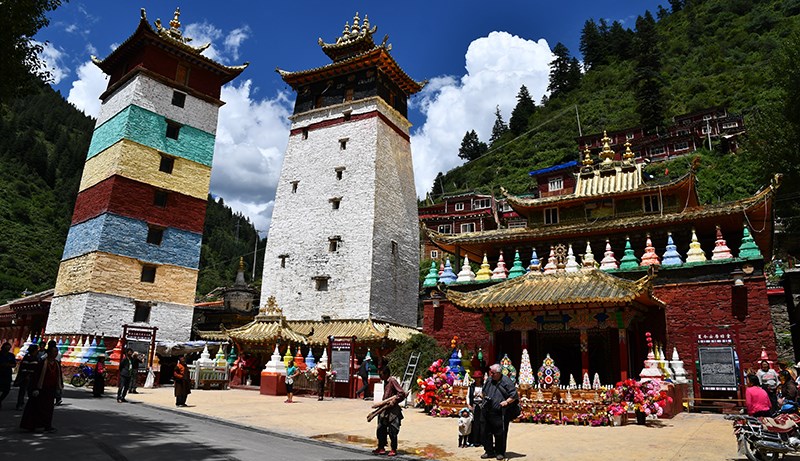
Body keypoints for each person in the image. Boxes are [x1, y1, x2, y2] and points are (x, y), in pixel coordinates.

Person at [20, 345, 62, 432]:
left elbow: (59, 376)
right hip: (41, 388)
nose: (56, 353)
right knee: (39, 407)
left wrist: (60, 387)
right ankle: (37, 425)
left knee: (49, 408)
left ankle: (47, 425)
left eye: (56, 352)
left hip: (51, 389)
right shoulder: (42, 363)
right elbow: (36, 376)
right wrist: (35, 388)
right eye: (54, 351)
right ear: (49, 352)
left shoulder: (57, 364)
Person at [481, 363, 519, 460]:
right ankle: (489, 451)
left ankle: (500, 452)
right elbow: (484, 391)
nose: (491, 375)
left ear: (498, 373)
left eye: (493, 373)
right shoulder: (489, 380)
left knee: (500, 433)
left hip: (500, 412)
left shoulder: (506, 381)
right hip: (487, 410)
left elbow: (514, 395)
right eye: (490, 373)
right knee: (487, 432)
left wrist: (506, 402)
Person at [372, 366, 406, 457]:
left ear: (386, 374)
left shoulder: (392, 381)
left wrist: (394, 401)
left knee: (393, 431)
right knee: (380, 429)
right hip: (385, 409)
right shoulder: (385, 382)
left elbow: (401, 393)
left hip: (393, 410)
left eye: (381, 374)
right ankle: (381, 447)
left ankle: (393, 449)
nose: (380, 376)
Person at [14, 344, 38, 411]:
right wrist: (27, 375)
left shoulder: (35, 357)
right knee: (23, 391)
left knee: (30, 391)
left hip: (32, 377)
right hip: (26, 377)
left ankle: (28, 404)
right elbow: (24, 367)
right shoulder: (28, 357)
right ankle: (20, 404)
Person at [467, 370, 485, 448]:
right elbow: (468, 396)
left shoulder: (484, 386)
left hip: (482, 406)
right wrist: (468, 404)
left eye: (478, 378)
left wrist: (482, 396)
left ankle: (482, 440)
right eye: (476, 378)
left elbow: (487, 395)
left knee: (482, 423)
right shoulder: (471, 387)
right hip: (474, 406)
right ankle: (474, 441)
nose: (477, 379)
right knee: (474, 423)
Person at [0, 342, 15, 409]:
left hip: (7, 374)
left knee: (6, 390)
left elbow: (14, 364)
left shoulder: (11, 355)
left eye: (8, 348)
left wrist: (8, 365)